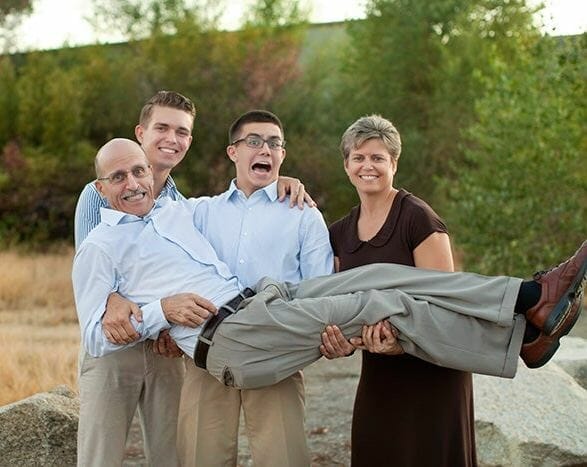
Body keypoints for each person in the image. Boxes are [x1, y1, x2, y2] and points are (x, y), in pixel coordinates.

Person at [72, 138, 586, 396]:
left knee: (378, 276)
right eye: (118, 177)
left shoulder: (177, 212)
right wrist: (156, 310)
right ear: (101, 189)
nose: (134, 182)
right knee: (379, 303)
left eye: (139, 170)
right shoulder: (99, 247)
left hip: (261, 303)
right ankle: (523, 339)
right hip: (227, 338)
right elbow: (95, 335)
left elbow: (244, 199)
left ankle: (528, 298)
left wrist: (285, 181)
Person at [320, 115, 581, 466]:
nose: (368, 166)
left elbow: (448, 303)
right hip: (380, 374)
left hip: (433, 370)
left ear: (394, 164)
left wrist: (400, 343)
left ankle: (531, 317)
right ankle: (529, 321)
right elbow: (342, 307)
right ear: (347, 165)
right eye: (359, 157)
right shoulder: (338, 234)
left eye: (378, 158)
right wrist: (342, 343)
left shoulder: (416, 217)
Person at [177, 110, 334, 466]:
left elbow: (319, 288)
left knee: (283, 458)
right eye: (254, 141)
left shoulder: (303, 214)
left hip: (274, 353)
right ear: (233, 152)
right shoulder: (199, 212)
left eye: (274, 143)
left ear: (282, 156)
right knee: (202, 457)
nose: (265, 149)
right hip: (207, 353)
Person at [73, 91, 196, 467]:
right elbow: (94, 273)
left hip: (165, 347)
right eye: (162, 128)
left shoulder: (182, 207)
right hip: (113, 350)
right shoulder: (99, 194)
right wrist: (113, 297)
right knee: (100, 456)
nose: (171, 139)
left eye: (182, 132)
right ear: (141, 132)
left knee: (172, 455)